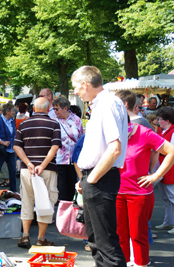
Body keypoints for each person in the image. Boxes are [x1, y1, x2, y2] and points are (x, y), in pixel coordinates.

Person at [72, 65, 127, 267]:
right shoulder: (104, 103)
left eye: (76, 87)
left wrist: (92, 178)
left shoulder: (107, 104)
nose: (75, 91)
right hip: (97, 178)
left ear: (85, 84)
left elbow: (115, 148)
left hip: (100, 179)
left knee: (106, 244)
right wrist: (87, 179)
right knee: (97, 242)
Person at [116, 118, 174, 267]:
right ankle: (124, 262)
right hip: (115, 192)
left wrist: (155, 175)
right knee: (119, 234)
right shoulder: (110, 133)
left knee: (138, 234)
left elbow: (171, 151)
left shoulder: (144, 133)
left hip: (139, 193)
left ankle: (141, 263)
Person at [13, 97, 61, 248]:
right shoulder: (54, 124)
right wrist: (42, 165)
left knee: (27, 201)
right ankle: (41, 239)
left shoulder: (24, 124)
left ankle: (25, 236)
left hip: (27, 170)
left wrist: (29, 163)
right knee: (46, 202)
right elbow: (54, 147)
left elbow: (17, 146)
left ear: (33, 108)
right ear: (49, 109)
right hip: (47, 169)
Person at [52, 96, 84, 201]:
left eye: (57, 109)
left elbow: (80, 139)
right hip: (59, 158)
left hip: (73, 159)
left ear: (65, 108)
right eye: (54, 109)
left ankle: (70, 210)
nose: (55, 111)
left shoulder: (77, 120)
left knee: (72, 186)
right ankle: (62, 211)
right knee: (61, 187)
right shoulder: (54, 121)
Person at [155, 107, 174, 233]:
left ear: (167, 120)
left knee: (172, 197)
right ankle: (169, 222)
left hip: (170, 169)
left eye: (160, 119)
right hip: (164, 167)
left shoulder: (172, 132)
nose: (158, 121)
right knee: (167, 198)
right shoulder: (164, 131)